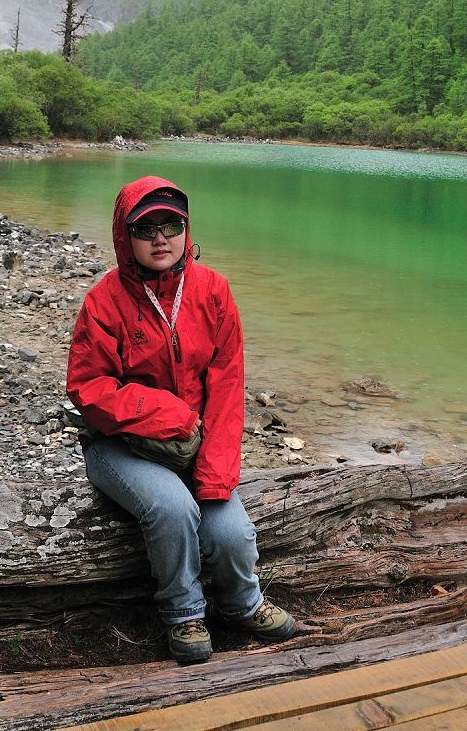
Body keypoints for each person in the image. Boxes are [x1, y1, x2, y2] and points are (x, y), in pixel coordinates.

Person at [66, 175, 296, 664]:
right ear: (125, 236)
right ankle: (184, 613)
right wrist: (169, 414)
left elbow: (227, 388)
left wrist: (213, 475)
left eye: (171, 226)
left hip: (194, 444)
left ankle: (241, 604)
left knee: (231, 533)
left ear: (186, 230)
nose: (160, 238)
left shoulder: (213, 290)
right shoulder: (105, 300)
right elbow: (88, 388)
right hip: (119, 447)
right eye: (145, 229)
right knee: (173, 510)